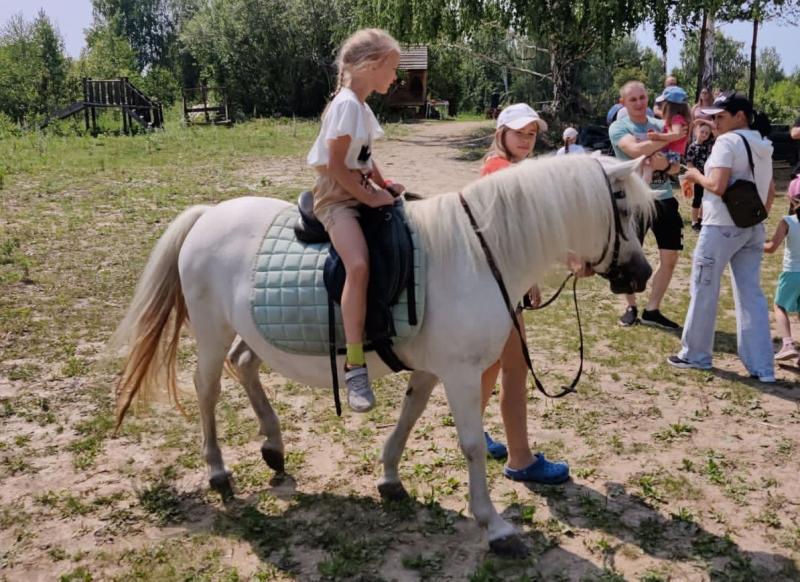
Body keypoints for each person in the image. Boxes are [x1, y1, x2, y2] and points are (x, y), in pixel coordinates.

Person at [306, 28, 403, 412]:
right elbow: (335, 166)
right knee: (358, 266)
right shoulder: (346, 104)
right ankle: (356, 363)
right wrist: (370, 196)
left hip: (357, 186)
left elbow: (364, 156)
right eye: (392, 69)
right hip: (336, 197)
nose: (395, 78)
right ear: (372, 66)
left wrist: (384, 183)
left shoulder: (360, 106)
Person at [478, 103, 570, 484]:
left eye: (532, 134)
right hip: (501, 283)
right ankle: (520, 458)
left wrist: (530, 276)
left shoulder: (502, 167)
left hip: (498, 280)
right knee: (514, 369)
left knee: (495, 365)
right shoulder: (502, 171)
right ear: (502, 133)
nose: (527, 140)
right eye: (520, 133)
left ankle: (470, 432)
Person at [668, 91, 777, 382]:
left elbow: (716, 184)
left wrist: (693, 175)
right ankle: (763, 367)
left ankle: (695, 354)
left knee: (704, 288)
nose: (714, 122)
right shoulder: (763, 143)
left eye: (720, 117)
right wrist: (758, 218)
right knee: (751, 294)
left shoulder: (727, 142)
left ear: (739, 116)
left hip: (720, 226)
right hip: (752, 227)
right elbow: (768, 191)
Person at [609, 80, 683, 329]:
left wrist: (665, 164)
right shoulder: (619, 128)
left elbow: (676, 164)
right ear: (623, 103)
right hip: (634, 202)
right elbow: (635, 150)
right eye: (633, 99)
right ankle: (630, 306)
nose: (639, 103)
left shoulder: (661, 125)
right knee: (628, 258)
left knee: (670, 257)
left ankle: (653, 309)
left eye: (642, 98)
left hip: (664, 198)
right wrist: (670, 138)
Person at [764, 177, 800, 364]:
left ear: (792, 199)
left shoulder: (787, 221)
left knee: (779, 306)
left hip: (792, 272)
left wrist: (755, 243)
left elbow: (771, 248)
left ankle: (787, 344)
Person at [685, 123, 715, 231]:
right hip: (698, 178)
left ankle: (701, 218)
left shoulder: (709, 145)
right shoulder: (692, 147)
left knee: (705, 199)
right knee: (697, 199)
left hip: (707, 177)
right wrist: (694, 175)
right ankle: (694, 221)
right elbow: (689, 163)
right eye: (702, 131)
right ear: (696, 131)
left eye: (707, 133)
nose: (704, 134)